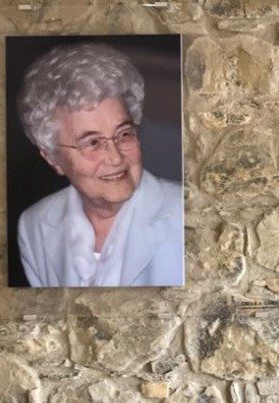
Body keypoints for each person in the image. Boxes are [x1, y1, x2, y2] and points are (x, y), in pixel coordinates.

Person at [16, 42, 183, 287]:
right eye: (92, 142)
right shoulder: (34, 225)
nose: (115, 158)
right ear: (52, 158)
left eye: (124, 134)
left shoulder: (187, 214)